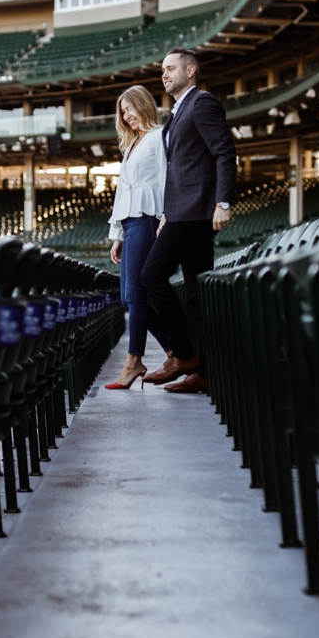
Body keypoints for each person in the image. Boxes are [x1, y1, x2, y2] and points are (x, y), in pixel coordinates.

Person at [140, 47, 235, 394]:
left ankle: (182, 355)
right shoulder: (178, 112)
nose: (164, 75)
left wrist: (223, 202)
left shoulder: (202, 103)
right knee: (194, 293)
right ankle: (203, 371)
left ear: (191, 70)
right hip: (180, 211)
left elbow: (224, 151)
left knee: (150, 275)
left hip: (197, 209)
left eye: (170, 68)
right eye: (162, 70)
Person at [103, 85, 170, 390]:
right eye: (122, 111)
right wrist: (117, 235)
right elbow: (122, 193)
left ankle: (133, 362)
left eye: (129, 108)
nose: (126, 115)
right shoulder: (130, 145)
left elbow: (169, 179)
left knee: (136, 294)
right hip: (129, 225)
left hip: (146, 219)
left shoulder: (159, 137)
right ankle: (176, 352)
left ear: (143, 105)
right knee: (127, 297)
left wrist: (166, 216)